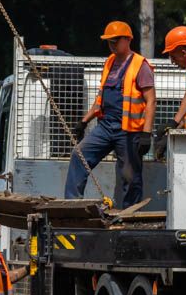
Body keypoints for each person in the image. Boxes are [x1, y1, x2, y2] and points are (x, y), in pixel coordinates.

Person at [64, 21, 156, 208]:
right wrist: (84, 121)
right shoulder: (110, 62)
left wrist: (146, 134)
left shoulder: (140, 65)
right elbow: (101, 98)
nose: (112, 45)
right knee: (79, 154)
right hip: (106, 127)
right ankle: (72, 205)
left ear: (128, 39)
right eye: (109, 42)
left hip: (128, 131)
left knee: (130, 176)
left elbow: (151, 101)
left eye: (115, 41)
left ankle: (130, 214)